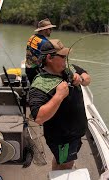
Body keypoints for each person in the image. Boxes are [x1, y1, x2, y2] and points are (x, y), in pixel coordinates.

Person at [28, 39, 91, 170]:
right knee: (65, 165)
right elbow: (39, 117)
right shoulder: (39, 84)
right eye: (62, 56)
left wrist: (81, 79)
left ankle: (56, 168)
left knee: (60, 161)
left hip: (75, 134)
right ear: (50, 58)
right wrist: (58, 96)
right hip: (63, 139)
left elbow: (87, 76)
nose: (66, 59)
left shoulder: (69, 69)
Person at [25, 18, 56, 84]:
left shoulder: (32, 37)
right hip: (36, 71)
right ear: (46, 30)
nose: (51, 31)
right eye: (50, 29)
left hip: (28, 68)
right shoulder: (44, 42)